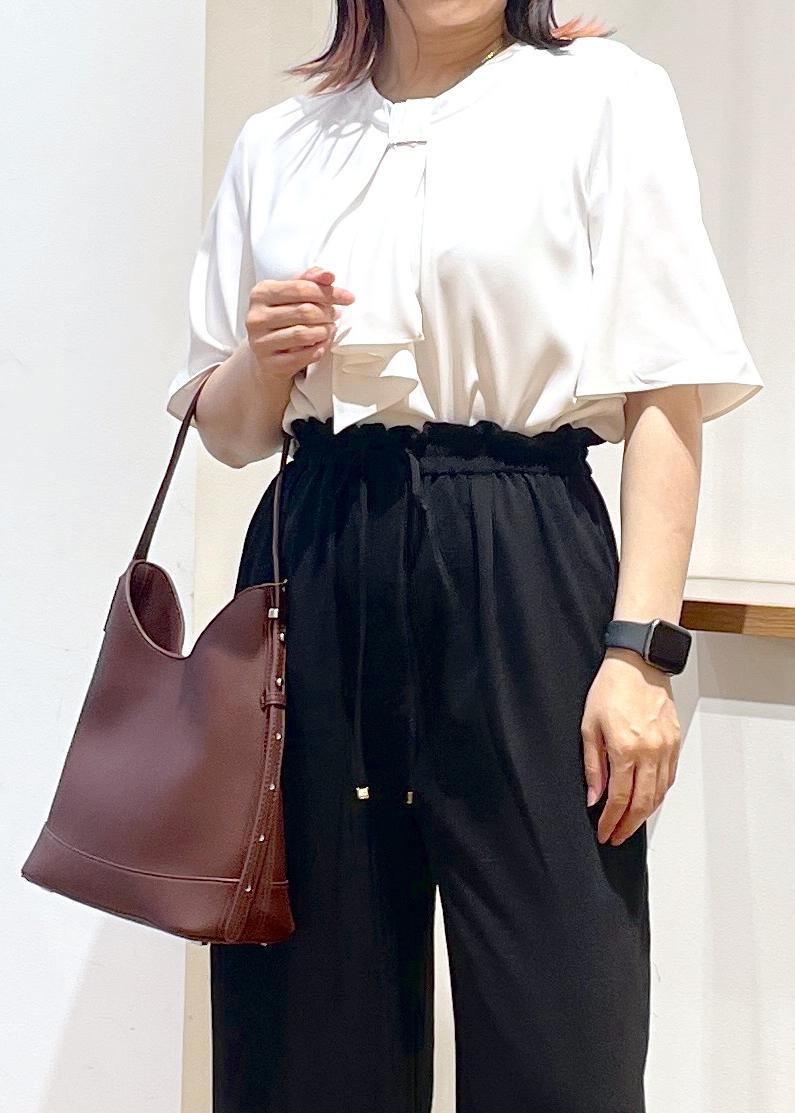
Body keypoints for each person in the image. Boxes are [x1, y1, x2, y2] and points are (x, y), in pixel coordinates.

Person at [165, 3, 764, 1110]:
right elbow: (233, 430)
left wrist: (640, 651)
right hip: (318, 551)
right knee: (305, 1025)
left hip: (524, 543)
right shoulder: (282, 140)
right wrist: (265, 358)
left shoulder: (603, 97)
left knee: (560, 1018)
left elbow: (666, 390)